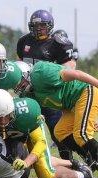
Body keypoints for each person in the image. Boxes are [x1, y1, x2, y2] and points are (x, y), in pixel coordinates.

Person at [0, 89, 98, 178]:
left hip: (28, 132)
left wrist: (26, 162)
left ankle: (81, 176)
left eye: (6, 116)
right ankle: (73, 163)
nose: (3, 122)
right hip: (10, 137)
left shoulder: (26, 114)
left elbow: (40, 142)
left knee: (46, 173)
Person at [16, 9, 76, 159]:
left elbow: (69, 70)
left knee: (57, 133)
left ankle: (70, 163)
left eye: (42, 26)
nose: (38, 29)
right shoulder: (23, 41)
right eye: (35, 26)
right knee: (21, 129)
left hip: (50, 96)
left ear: (50, 25)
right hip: (29, 94)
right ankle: (18, 160)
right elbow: (19, 66)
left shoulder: (58, 44)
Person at [29, 60, 98, 171]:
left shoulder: (41, 74)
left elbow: (77, 74)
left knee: (82, 134)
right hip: (72, 104)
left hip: (85, 91)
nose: (19, 86)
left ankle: (95, 158)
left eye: (21, 81)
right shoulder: (29, 92)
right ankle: (90, 159)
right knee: (61, 132)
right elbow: (62, 101)